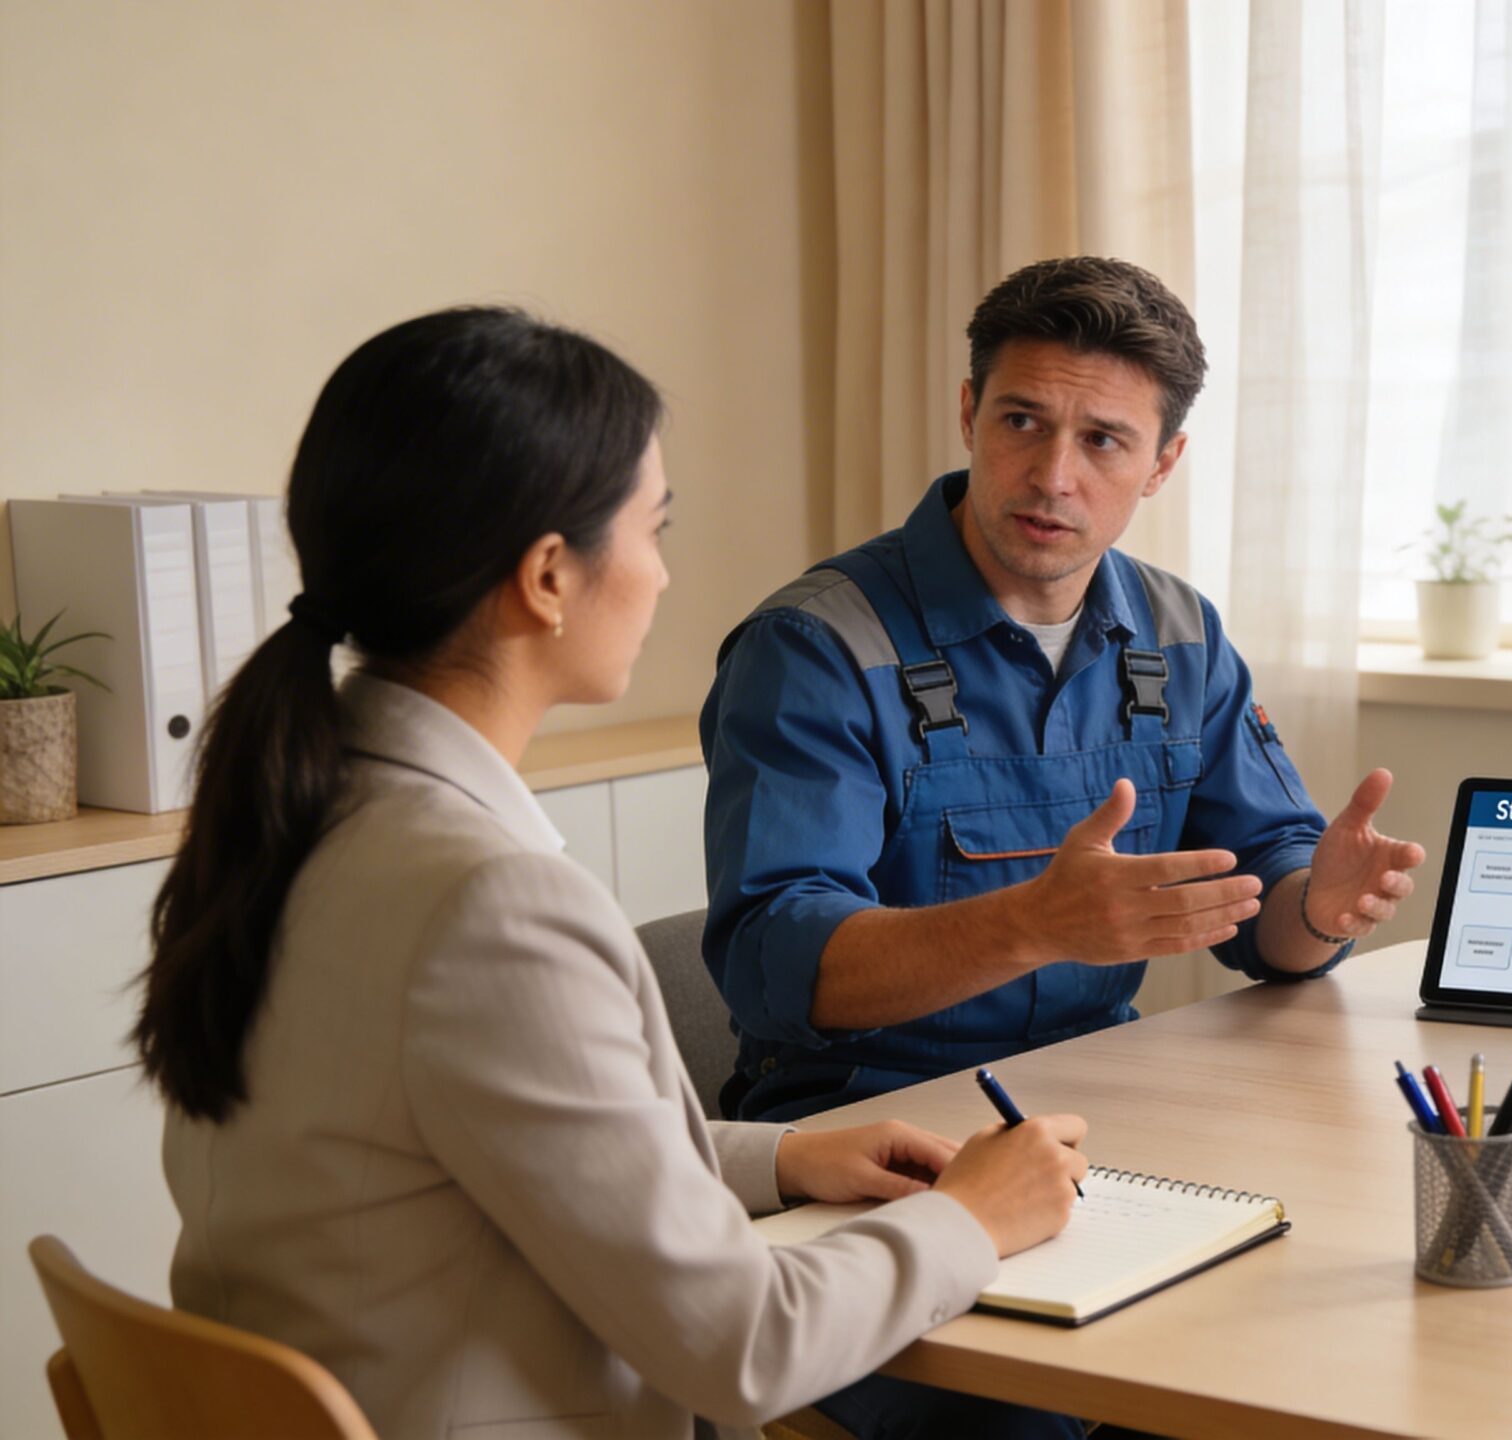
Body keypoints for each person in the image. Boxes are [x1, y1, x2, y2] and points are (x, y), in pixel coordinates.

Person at [132, 308, 1090, 1440]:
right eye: (653, 528)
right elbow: (743, 1348)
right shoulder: (490, 905)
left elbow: (449, 1152)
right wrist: (974, 1219)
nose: (663, 573)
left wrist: (784, 1157)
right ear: (548, 577)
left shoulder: (296, 809)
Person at [701, 256, 1427, 1122]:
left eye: (1103, 441)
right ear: (970, 414)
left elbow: (1265, 890)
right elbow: (769, 959)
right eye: (1021, 421)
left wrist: (1318, 913)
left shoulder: (1180, 631)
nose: (1052, 477)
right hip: (866, 1123)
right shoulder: (816, 648)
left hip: (1100, 1100)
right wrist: (1032, 924)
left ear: (1162, 463)